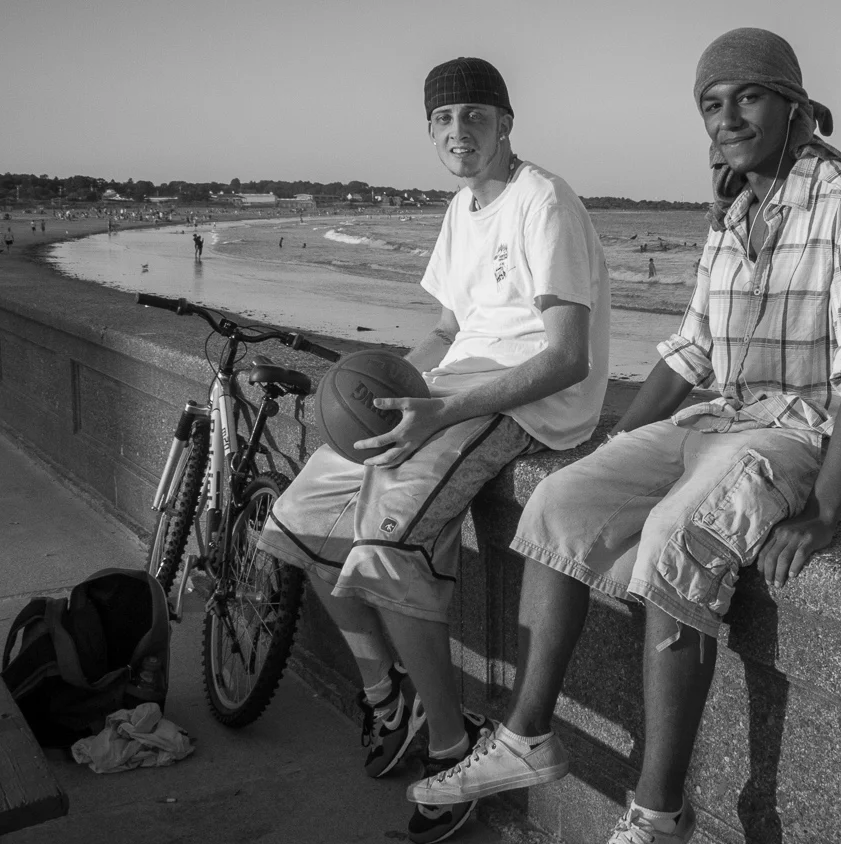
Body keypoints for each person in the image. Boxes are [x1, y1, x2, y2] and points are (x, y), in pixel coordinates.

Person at [406, 28, 841, 844]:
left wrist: (823, 508)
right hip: (721, 417)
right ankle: (525, 737)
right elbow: (691, 351)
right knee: (559, 499)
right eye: (712, 104)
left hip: (804, 430)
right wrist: (615, 443)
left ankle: (657, 815)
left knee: (676, 538)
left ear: (796, 107)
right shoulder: (734, 206)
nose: (727, 119)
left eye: (748, 98)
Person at [254, 56, 610, 844]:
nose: (458, 131)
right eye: (443, 119)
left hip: (524, 401)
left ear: (506, 122)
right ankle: (389, 697)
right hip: (450, 386)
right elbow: (449, 329)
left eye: (474, 115)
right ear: (429, 131)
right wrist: (380, 390)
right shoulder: (462, 208)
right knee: (295, 520)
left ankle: (452, 749)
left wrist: (439, 409)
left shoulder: (542, 200)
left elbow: (566, 357)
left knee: (384, 546)